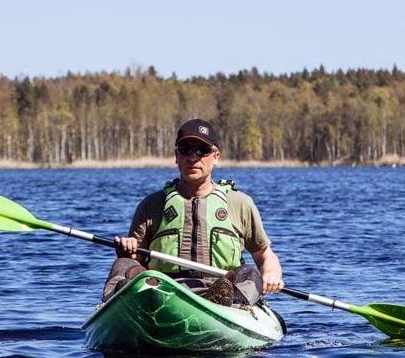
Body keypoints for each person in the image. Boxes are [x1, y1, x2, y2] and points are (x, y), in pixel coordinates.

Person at [102, 118, 285, 307]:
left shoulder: (240, 203)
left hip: (222, 290)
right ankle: (119, 306)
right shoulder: (152, 205)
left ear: (216, 157)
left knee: (249, 273)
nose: (193, 157)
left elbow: (264, 256)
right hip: (162, 289)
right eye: (185, 150)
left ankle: (224, 307)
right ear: (176, 156)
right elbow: (136, 260)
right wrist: (127, 251)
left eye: (202, 151)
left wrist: (272, 274)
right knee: (122, 265)